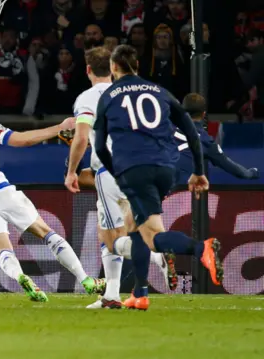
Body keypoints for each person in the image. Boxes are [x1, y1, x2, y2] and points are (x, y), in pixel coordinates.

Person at [0, 82, 106, 302]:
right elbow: (22, 139)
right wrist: (59, 127)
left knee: (2, 249)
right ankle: (85, 280)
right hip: (2, 191)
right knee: (46, 233)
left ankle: (21, 277)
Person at [93, 45, 222, 310]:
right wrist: (198, 171)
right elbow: (190, 130)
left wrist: (116, 171)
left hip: (134, 168)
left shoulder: (109, 95)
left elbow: (99, 147)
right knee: (134, 226)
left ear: (114, 68)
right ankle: (139, 294)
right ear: (137, 65)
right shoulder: (160, 91)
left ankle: (201, 249)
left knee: (152, 235)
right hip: (166, 168)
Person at [64, 47, 176, 309]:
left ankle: (156, 256)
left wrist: (71, 171)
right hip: (143, 166)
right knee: (131, 227)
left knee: (110, 238)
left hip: (110, 171)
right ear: (113, 68)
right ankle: (112, 294)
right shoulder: (128, 92)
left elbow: (81, 138)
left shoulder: (88, 98)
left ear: (88, 70)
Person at [174, 93, 259, 181]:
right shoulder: (206, 141)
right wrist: (251, 173)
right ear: (204, 114)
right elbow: (232, 167)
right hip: (183, 187)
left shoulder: (167, 128)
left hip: (163, 183)